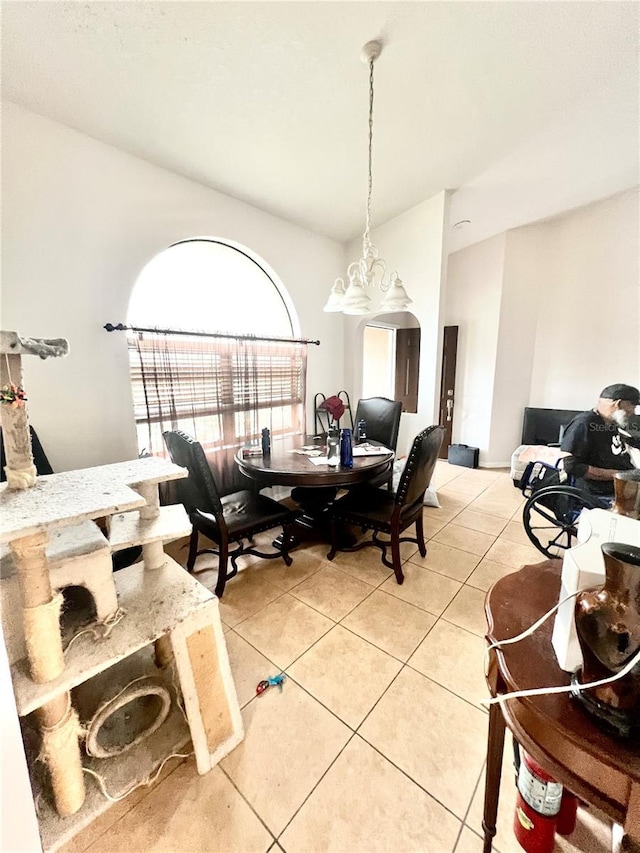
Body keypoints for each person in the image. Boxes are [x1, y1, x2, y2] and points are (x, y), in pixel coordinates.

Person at [560, 383, 639, 498]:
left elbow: (627, 441)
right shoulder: (584, 423)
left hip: (625, 483)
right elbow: (571, 466)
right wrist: (620, 475)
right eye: (633, 406)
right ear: (618, 404)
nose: (633, 412)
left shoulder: (610, 423)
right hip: (602, 492)